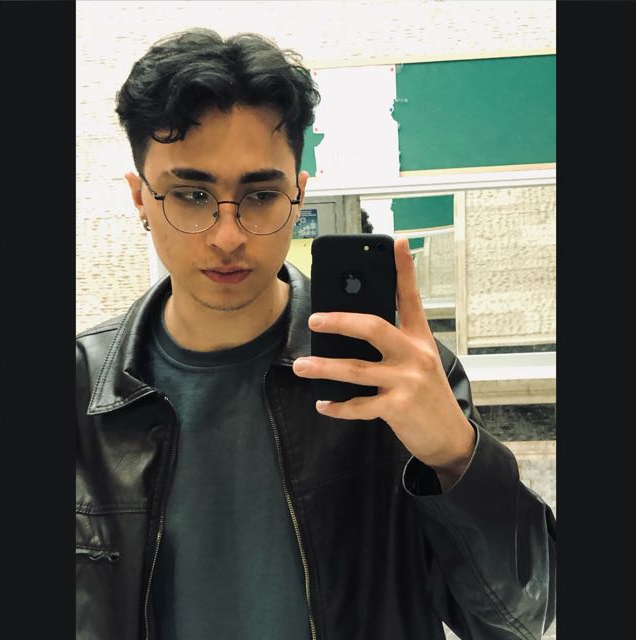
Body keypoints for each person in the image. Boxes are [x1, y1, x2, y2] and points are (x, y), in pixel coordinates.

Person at [76, 28, 556, 640]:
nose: (227, 236)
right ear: (140, 198)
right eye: (191, 195)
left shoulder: (396, 377)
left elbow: (522, 616)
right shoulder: (78, 390)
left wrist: (456, 456)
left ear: (298, 194)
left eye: (261, 194)